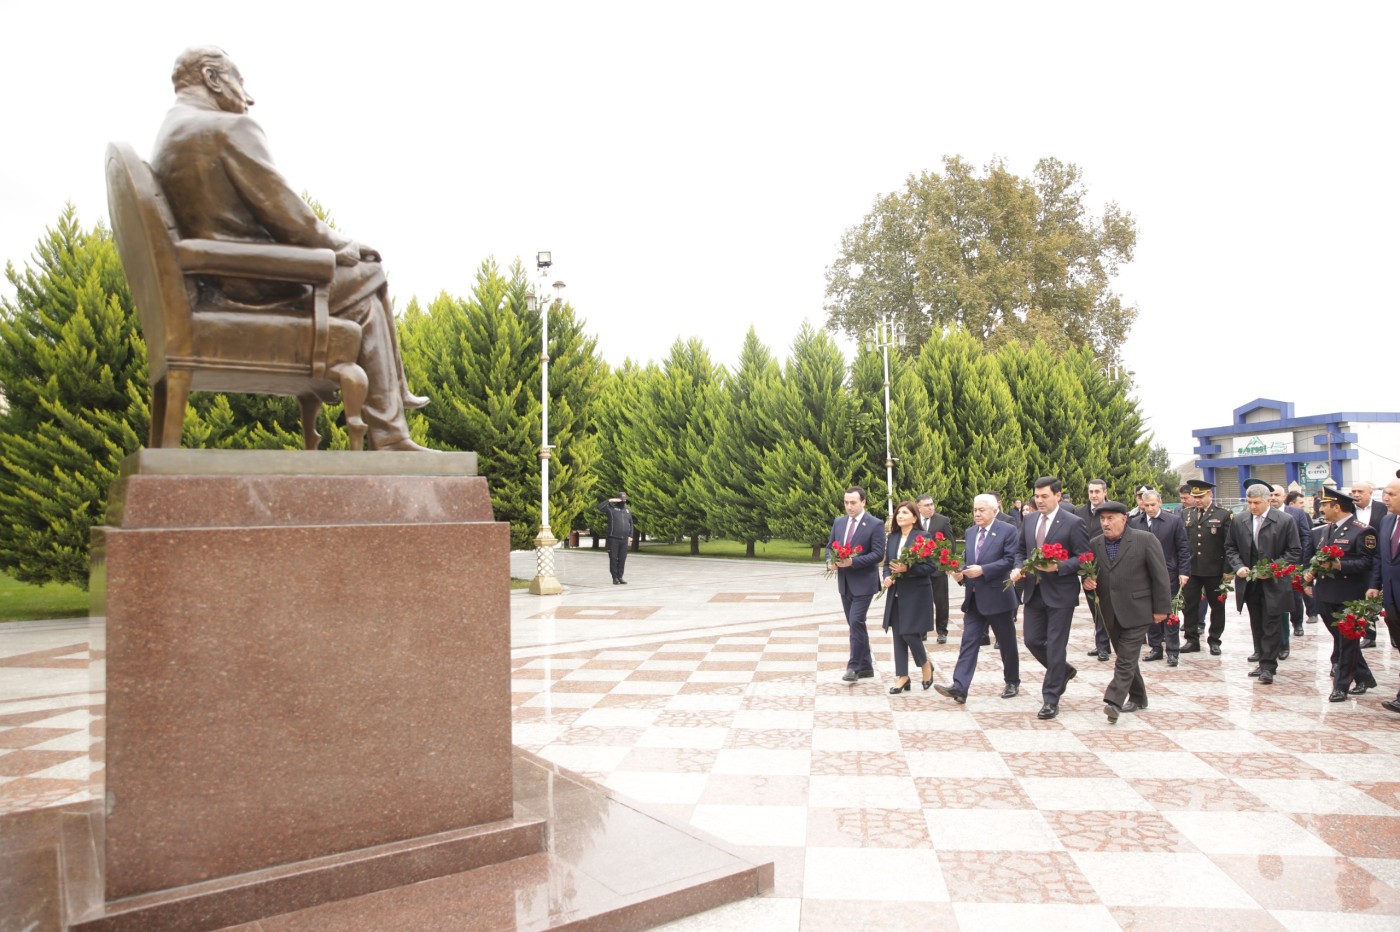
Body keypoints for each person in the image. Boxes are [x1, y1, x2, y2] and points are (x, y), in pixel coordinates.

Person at [150, 47, 428, 451]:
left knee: (363, 277)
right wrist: (336, 246)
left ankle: (394, 412)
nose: (248, 95)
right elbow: (286, 213)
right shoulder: (228, 128)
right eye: (239, 81)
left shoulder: (170, 135)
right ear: (212, 79)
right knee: (370, 271)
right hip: (255, 283)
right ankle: (391, 431)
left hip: (216, 279)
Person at [1010, 476, 1090, 720]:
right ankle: (1062, 671)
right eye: (1036, 496)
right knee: (1032, 641)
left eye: (1045, 495)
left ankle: (1050, 698)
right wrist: (1018, 567)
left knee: (1056, 646)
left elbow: (1084, 556)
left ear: (1058, 495)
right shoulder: (1030, 518)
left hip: (1061, 593)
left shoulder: (1073, 523)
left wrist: (1059, 567)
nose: (1040, 500)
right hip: (1034, 591)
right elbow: (1021, 550)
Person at [1082, 500, 1170, 721]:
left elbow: (1160, 577)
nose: (1105, 523)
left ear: (1124, 518)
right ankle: (1139, 697)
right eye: (1102, 519)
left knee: (1125, 658)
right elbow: (1089, 572)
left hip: (1138, 610)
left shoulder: (1145, 540)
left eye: (1110, 518)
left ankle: (1114, 701)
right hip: (1110, 611)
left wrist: (1161, 608)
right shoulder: (1095, 544)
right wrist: (1087, 581)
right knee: (1126, 656)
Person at [933, 494, 1020, 704]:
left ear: (994, 510)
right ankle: (960, 687)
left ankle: (1012, 681)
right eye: (975, 510)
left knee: (1007, 643)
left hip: (998, 597)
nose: (977, 514)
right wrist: (960, 574)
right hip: (973, 599)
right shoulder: (970, 532)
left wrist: (983, 570)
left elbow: (1009, 560)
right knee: (969, 642)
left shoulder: (1007, 530)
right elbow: (970, 561)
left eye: (982, 510)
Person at [1224, 479, 1301, 685]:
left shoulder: (1284, 520)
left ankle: (1269, 666)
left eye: (1256, 502)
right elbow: (1230, 547)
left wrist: (1272, 569)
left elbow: (1294, 551)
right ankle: (1261, 658)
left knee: (1272, 622)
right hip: (1250, 582)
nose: (1252, 507)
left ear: (1268, 500)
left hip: (1273, 582)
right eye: (1249, 502)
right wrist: (1238, 566)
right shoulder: (1239, 520)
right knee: (1257, 622)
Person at [1305, 487, 1378, 700]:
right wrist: (1310, 575)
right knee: (1343, 639)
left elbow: (1367, 563)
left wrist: (1338, 565)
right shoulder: (1325, 529)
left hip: (1349, 594)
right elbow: (1317, 557)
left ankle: (1341, 686)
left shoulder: (1363, 530)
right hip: (1326, 593)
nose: (1320, 508)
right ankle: (1364, 677)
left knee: (1346, 641)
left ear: (1337, 507)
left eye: (1324, 505)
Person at [828, 487, 887, 683]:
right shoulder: (839, 522)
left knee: (856, 621)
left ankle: (853, 666)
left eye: (853, 502)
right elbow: (830, 547)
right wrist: (830, 562)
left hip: (864, 583)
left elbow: (878, 554)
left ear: (863, 502)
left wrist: (853, 562)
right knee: (856, 625)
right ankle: (867, 666)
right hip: (844, 583)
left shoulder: (875, 524)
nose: (849, 506)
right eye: (846, 502)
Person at [1129, 489, 1190, 666]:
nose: (1149, 508)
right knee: (1149, 612)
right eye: (1146, 505)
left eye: (1153, 505)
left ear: (1160, 503)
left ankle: (1173, 651)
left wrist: (1184, 572)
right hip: (1144, 574)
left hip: (1168, 573)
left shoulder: (1173, 521)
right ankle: (1155, 647)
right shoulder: (1135, 522)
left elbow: (1183, 548)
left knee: (1169, 611)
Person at [880, 501, 936, 693]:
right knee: (898, 633)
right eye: (898, 513)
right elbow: (887, 563)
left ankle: (925, 664)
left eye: (905, 513)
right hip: (896, 592)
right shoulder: (893, 537)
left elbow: (931, 566)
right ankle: (902, 676)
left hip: (916, 592)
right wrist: (887, 576)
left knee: (909, 632)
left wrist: (908, 568)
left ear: (914, 517)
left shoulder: (923, 536)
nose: (900, 516)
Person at [1180, 479, 1232, 656]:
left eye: (1201, 496)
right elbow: (1182, 543)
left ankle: (1214, 640)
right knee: (1189, 605)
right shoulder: (1186, 514)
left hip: (1214, 569)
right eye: (1195, 496)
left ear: (1210, 494)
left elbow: (1229, 544)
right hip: (1192, 569)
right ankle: (1191, 639)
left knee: (1217, 606)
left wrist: (1227, 569)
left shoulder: (1223, 514)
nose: (1197, 500)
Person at [1366, 475, 1400, 714]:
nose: (1385, 498)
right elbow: (1379, 557)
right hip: (1392, 598)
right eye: (1385, 493)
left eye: (1391, 494)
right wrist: (1375, 584)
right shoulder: (1388, 521)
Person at [1074, 479, 1112, 662]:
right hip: (1087, 566)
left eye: (1097, 491)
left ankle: (1108, 643)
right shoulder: (1079, 512)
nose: (1094, 495)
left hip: (1109, 565)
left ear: (1105, 492)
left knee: (1107, 606)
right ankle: (1102, 644)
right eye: (1091, 492)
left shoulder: (1112, 510)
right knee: (1094, 606)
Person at [914, 495, 953, 643]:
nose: (930, 507)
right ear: (918, 507)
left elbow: (951, 543)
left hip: (938, 569)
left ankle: (942, 631)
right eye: (926, 505)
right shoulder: (914, 521)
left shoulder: (943, 521)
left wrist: (947, 565)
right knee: (922, 602)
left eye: (932, 504)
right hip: (920, 569)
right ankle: (922, 631)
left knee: (941, 601)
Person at [1350, 480, 1385, 648]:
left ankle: (1394, 635)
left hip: (1380, 560)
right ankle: (1369, 635)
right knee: (1362, 597)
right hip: (1357, 561)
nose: (1356, 494)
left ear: (1370, 492)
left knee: (1384, 599)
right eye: (1354, 491)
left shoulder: (1382, 508)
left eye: (1360, 491)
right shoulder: (1349, 509)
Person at [1284, 489, 1318, 633]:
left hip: (1296, 560)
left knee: (1296, 593)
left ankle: (1298, 623)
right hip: (1275, 561)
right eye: (1301, 502)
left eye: (1276, 494)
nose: (1273, 498)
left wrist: (1304, 557)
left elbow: (1306, 536)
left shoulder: (1299, 514)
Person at [596, 494, 634, 584]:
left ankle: (620, 576)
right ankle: (615, 578)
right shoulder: (611, 509)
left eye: (624, 499)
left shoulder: (627, 510)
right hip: (613, 538)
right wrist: (609, 500)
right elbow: (600, 507)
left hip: (624, 539)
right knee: (613, 558)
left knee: (622, 559)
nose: (623, 501)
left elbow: (631, 524)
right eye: (621, 499)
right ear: (617, 499)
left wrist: (630, 536)